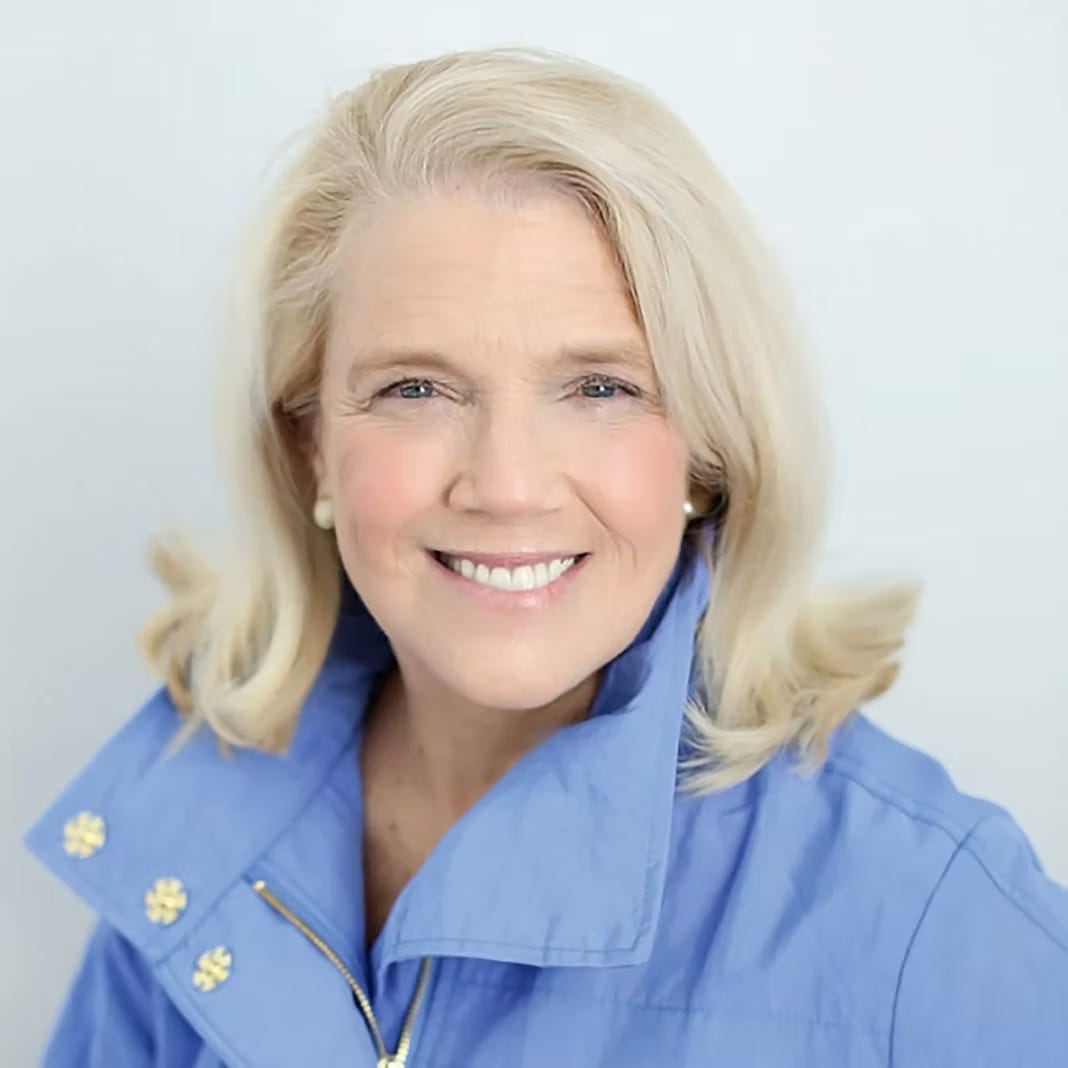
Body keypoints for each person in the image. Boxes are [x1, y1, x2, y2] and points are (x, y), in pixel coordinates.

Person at [26, 46, 1068, 1068]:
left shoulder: (933, 917)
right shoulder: (194, 826)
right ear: (311, 447)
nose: (509, 485)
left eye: (600, 388)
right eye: (416, 389)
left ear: (707, 448)